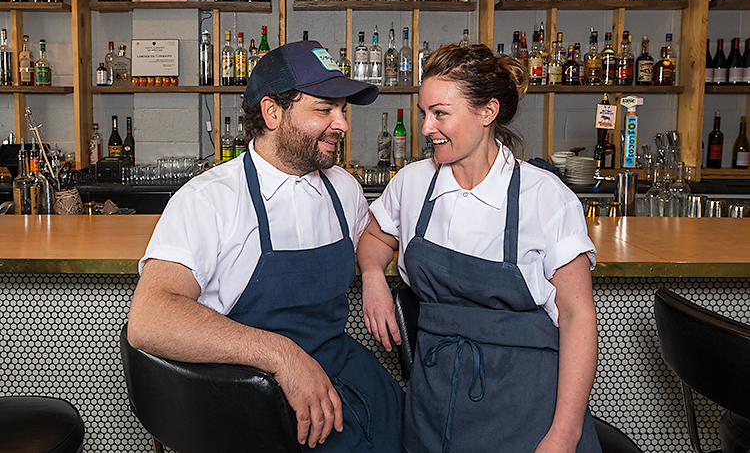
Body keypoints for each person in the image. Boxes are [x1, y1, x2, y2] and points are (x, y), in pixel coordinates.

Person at [127, 40, 404, 452]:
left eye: (342, 110)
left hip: (348, 375)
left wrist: (371, 274)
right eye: (324, 109)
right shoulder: (210, 198)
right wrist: (283, 356)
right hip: (259, 401)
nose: (343, 124)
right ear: (272, 112)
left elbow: (376, 239)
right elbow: (150, 319)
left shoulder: (342, 188)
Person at [357, 43, 602, 453]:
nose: (425, 128)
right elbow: (376, 236)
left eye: (440, 113)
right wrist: (371, 277)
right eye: (423, 113)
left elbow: (579, 316)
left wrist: (564, 434)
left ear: (487, 113)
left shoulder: (544, 195)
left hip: (524, 401)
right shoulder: (414, 182)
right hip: (433, 400)